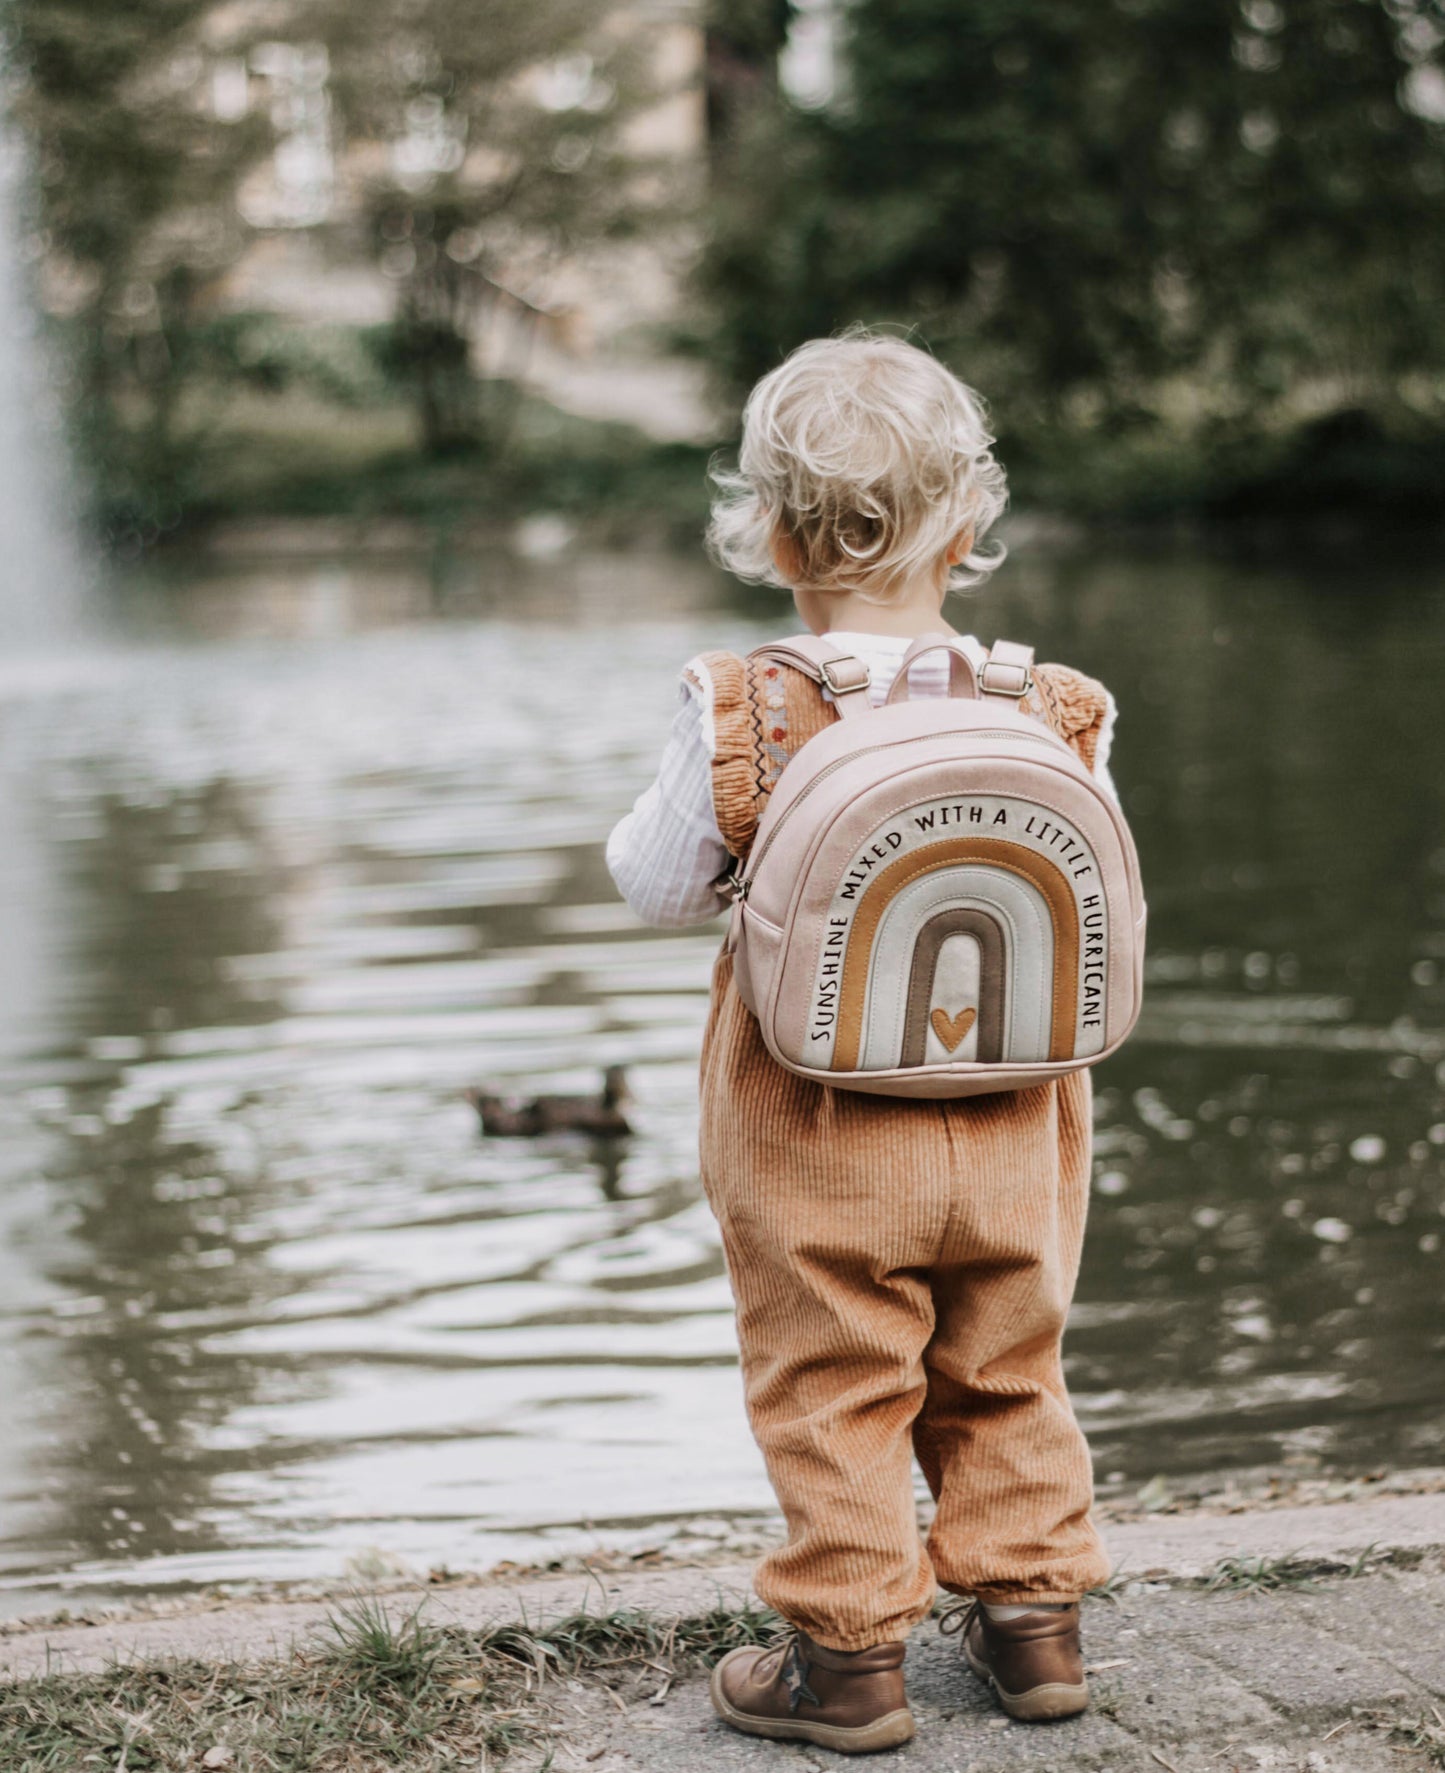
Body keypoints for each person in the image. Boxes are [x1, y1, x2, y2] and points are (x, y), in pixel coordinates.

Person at [606, 329, 1118, 1755]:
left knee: (831, 1376)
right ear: (970, 523)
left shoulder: (746, 703)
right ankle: (1032, 1627)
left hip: (810, 1117)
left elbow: (655, 885)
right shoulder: (1055, 703)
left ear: (765, 531)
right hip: (1019, 1108)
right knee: (1007, 1357)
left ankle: (847, 1664)